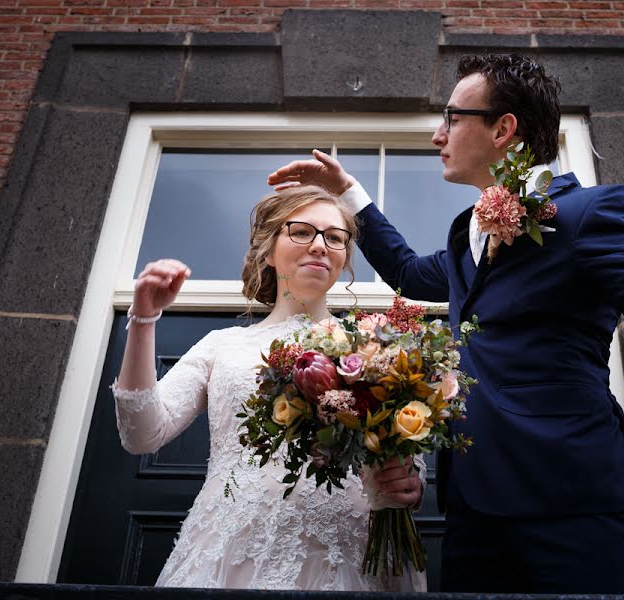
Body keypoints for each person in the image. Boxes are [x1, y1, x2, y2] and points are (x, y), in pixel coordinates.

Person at [267, 54, 624, 594]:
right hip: (472, 510)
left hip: (572, 505)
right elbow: (412, 274)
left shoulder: (586, 214)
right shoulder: (465, 237)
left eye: (451, 118)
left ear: (503, 130)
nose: (437, 135)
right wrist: (349, 193)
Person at [113, 185, 426, 591]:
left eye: (334, 237)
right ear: (267, 249)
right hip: (233, 553)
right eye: (301, 232)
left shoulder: (371, 346)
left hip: (350, 556)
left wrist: (407, 485)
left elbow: (402, 456)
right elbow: (142, 434)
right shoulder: (220, 346)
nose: (319, 246)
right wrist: (144, 319)